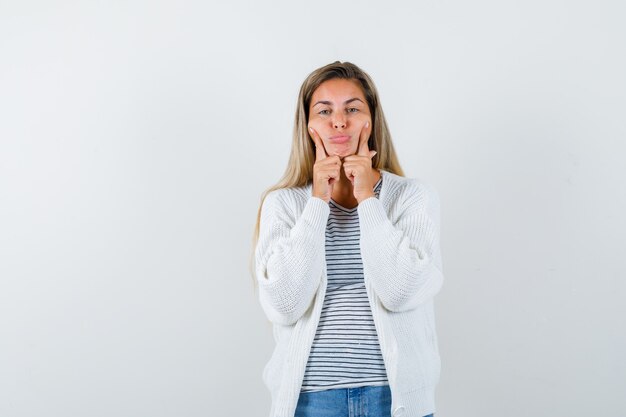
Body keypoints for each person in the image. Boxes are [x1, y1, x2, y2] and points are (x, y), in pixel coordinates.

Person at [251, 61, 443, 417]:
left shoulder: (411, 198)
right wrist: (317, 203)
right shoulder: (284, 204)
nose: (339, 121)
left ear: (371, 121)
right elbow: (284, 304)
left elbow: (401, 290)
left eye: (352, 109)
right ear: (309, 127)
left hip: (395, 399)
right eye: (325, 111)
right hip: (311, 401)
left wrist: (368, 198)